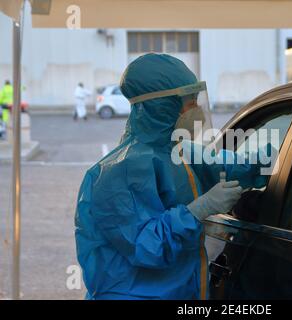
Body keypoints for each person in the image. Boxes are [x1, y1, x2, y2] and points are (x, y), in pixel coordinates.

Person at [75, 53, 271, 300]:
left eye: (196, 100)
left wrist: (268, 158)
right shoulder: (113, 175)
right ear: (161, 106)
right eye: (189, 103)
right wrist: (198, 209)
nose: (197, 111)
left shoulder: (180, 151)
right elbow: (146, 247)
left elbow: (226, 167)